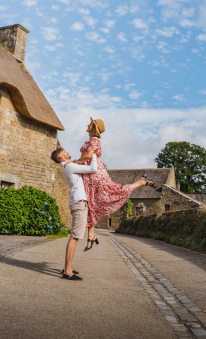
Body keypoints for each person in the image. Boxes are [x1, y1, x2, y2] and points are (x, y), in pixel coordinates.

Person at [71, 117, 155, 251]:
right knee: (91, 204)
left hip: (95, 174)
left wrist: (73, 162)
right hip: (88, 175)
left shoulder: (94, 140)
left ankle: (140, 182)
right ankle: (91, 236)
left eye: (90, 123)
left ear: (94, 127)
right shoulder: (90, 140)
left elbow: (88, 156)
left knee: (114, 192)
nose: (88, 124)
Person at [51, 146, 98, 281]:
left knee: (74, 236)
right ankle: (67, 271)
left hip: (77, 203)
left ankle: (68, 267)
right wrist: (93, 154)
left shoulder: (68, 166)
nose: (67, 152)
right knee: (74, 237)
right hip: (79, 203)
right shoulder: (69, 167)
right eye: (64, 152)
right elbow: (92, 169)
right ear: (61, 157)